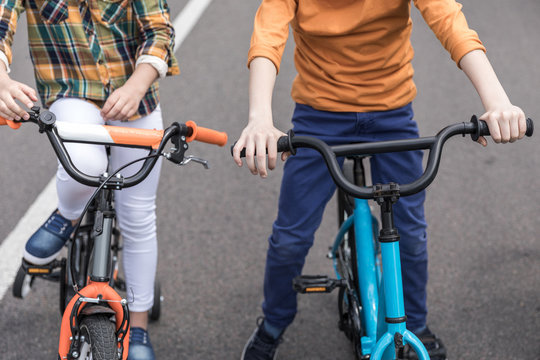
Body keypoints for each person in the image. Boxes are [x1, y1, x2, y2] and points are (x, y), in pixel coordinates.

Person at [232, 1, 527, 359]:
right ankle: (274, 324)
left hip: (392, 113)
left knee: (411, 233)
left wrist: (496, 100)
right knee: (289, 239)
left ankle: (413, 324)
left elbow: (449, 21)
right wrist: (259, 116)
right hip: (319, 116)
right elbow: (268, 36)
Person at [0, 0, 179, 359]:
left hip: (135, 97)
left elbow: (159, 30)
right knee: (84, 164)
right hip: (70, 91)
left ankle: (139, 330)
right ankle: (66, 215)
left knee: (139, 215)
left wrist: (136, 86)